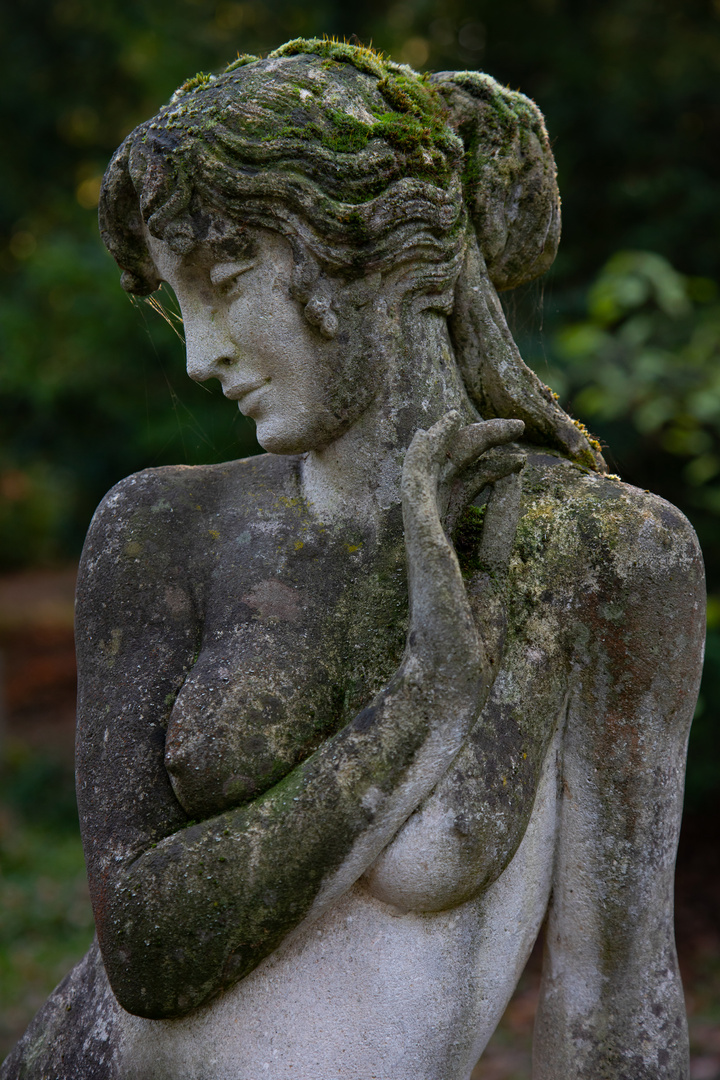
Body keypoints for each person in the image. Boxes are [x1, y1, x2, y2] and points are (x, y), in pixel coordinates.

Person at [2, 39, 704, 1080]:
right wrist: (419, 704)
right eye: (176, 302)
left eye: (225, 281)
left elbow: (611, 996)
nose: (200, 357)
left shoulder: (599, 557)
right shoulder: (158, 527)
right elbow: (143, 954)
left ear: (374, 250)